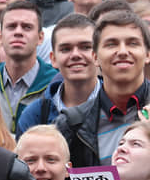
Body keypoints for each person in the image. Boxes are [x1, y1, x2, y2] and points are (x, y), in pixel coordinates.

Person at [55, 10, 150, 167]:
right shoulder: (71, 124)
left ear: (147, 54)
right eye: (111, 44)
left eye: (133, 43)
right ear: (95, 57)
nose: (122, 52)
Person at [16, 14, 99, 137]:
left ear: (98, 55)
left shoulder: (116, 106)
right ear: (53, 59)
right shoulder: (35, 114)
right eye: (66, 49)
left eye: (85, 47)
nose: (75, 55)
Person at [0, 0, 58, 134]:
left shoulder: (56, 86)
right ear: (1, 37)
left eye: (27, 27)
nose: (18, 32)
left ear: (40, 38)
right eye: (11, 26)